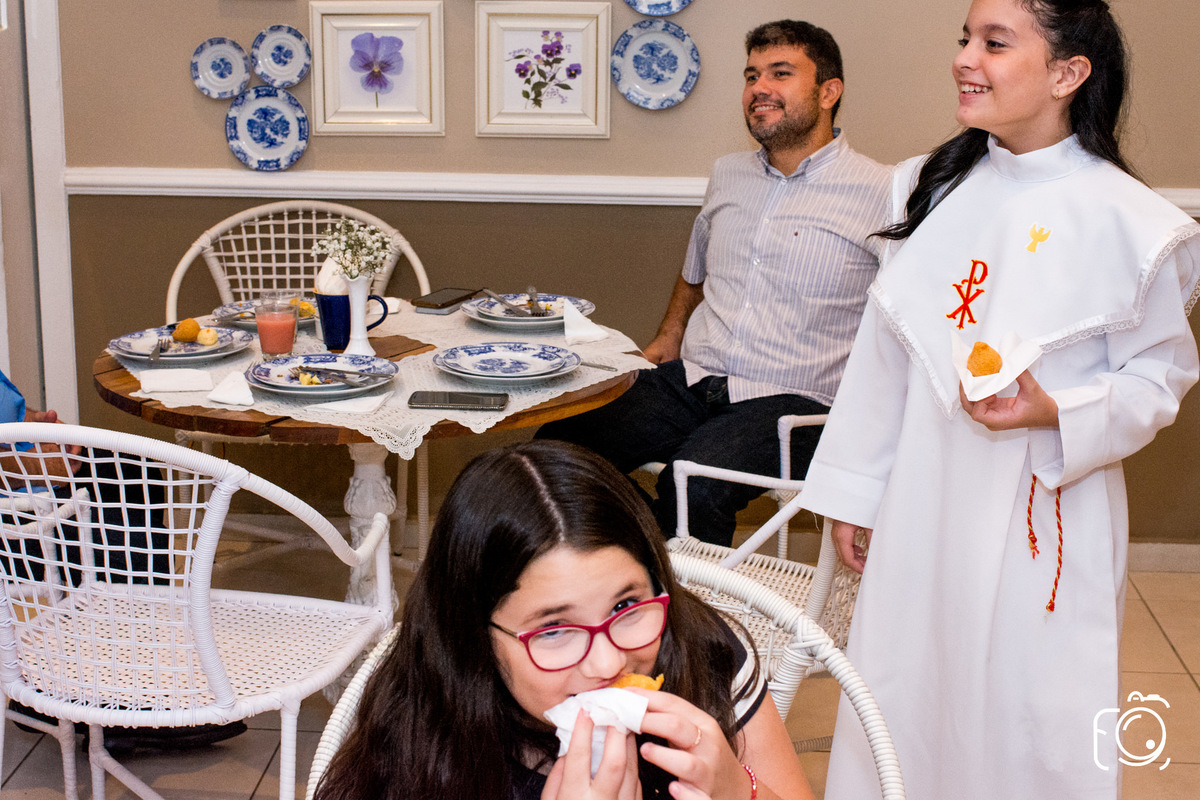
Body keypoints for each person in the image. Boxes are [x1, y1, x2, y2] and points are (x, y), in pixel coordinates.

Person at [798, 1, 1200, 798]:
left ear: (1066, 73)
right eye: (964, 39)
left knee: (1032, 714)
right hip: (920, 502)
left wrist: (1056, 409)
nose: (964, 59)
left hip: (1042, 518)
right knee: (908, 693)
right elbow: (885, 360)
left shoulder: (1131, 221)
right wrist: (855, 494)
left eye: (994, 43)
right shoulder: (926, 185)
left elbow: (1158, 382)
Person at [537, 20, 890, 546]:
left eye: (781, 73)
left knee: (694, 481)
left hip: (796, 403)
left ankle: (691, 614)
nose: (758, 88)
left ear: (829, 92)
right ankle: (646, 560)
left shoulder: (883, 191)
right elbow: (696, 269)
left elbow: (907, 313)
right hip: (696, 377)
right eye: (751, 75)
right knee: (556, 449)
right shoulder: (728, 173)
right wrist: (668, 336)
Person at [313, 440, 813, 800]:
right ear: (475, 637)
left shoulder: (703, 651)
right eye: (553, 630)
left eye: (625, 606)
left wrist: (738, 791)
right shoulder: (423, 728)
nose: (609, 661)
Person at [0, 368, 247, 750]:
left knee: (132, 466)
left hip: (21, 467)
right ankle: (115, 702)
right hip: (13, 519)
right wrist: (28, 465)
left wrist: (33, 421)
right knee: (112, 506)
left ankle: (134, 666)